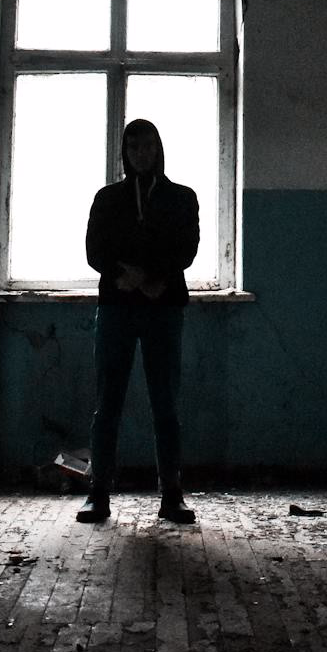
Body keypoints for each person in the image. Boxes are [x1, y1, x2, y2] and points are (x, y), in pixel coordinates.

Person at [79, 117, 199, 525]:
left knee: (165, 402)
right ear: (125, 153)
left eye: (147, 146)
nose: (141, 153)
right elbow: (95, 250)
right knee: (107, 401)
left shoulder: (182, 197)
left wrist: (152, 279)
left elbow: (187, 249)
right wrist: (124, 277)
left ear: (158, 149)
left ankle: (172, 494)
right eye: (134, 147)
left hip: (163, 307)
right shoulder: (108, 197)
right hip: (117, 306)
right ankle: (98, 493)